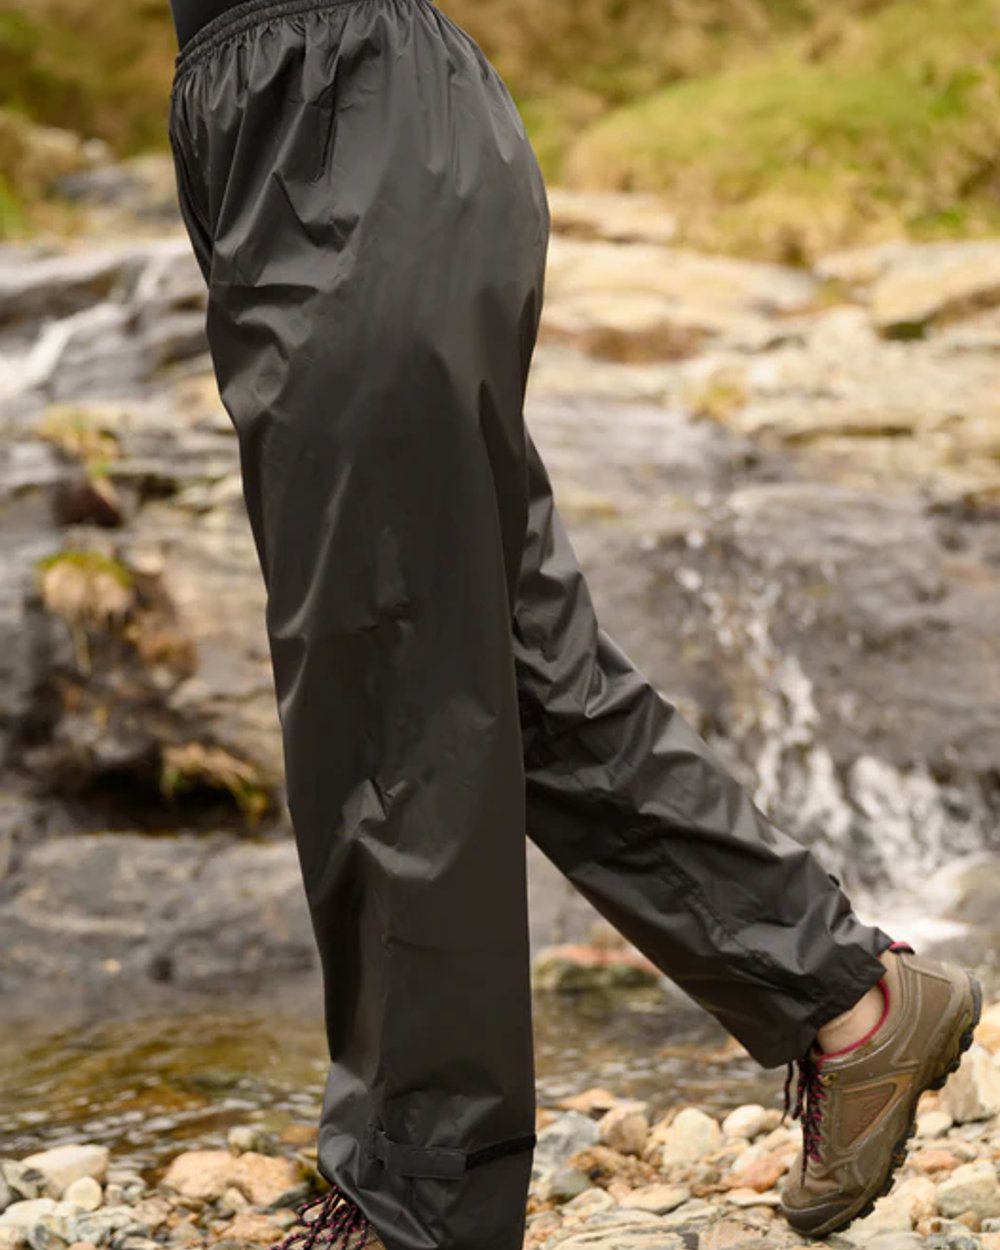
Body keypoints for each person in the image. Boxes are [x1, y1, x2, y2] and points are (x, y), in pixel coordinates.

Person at [164, 1, 981, 1247]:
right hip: (326, 132)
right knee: (503, 658)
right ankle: (852, 1003)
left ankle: (420, 1205)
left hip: (340, 127)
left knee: (391, 693)